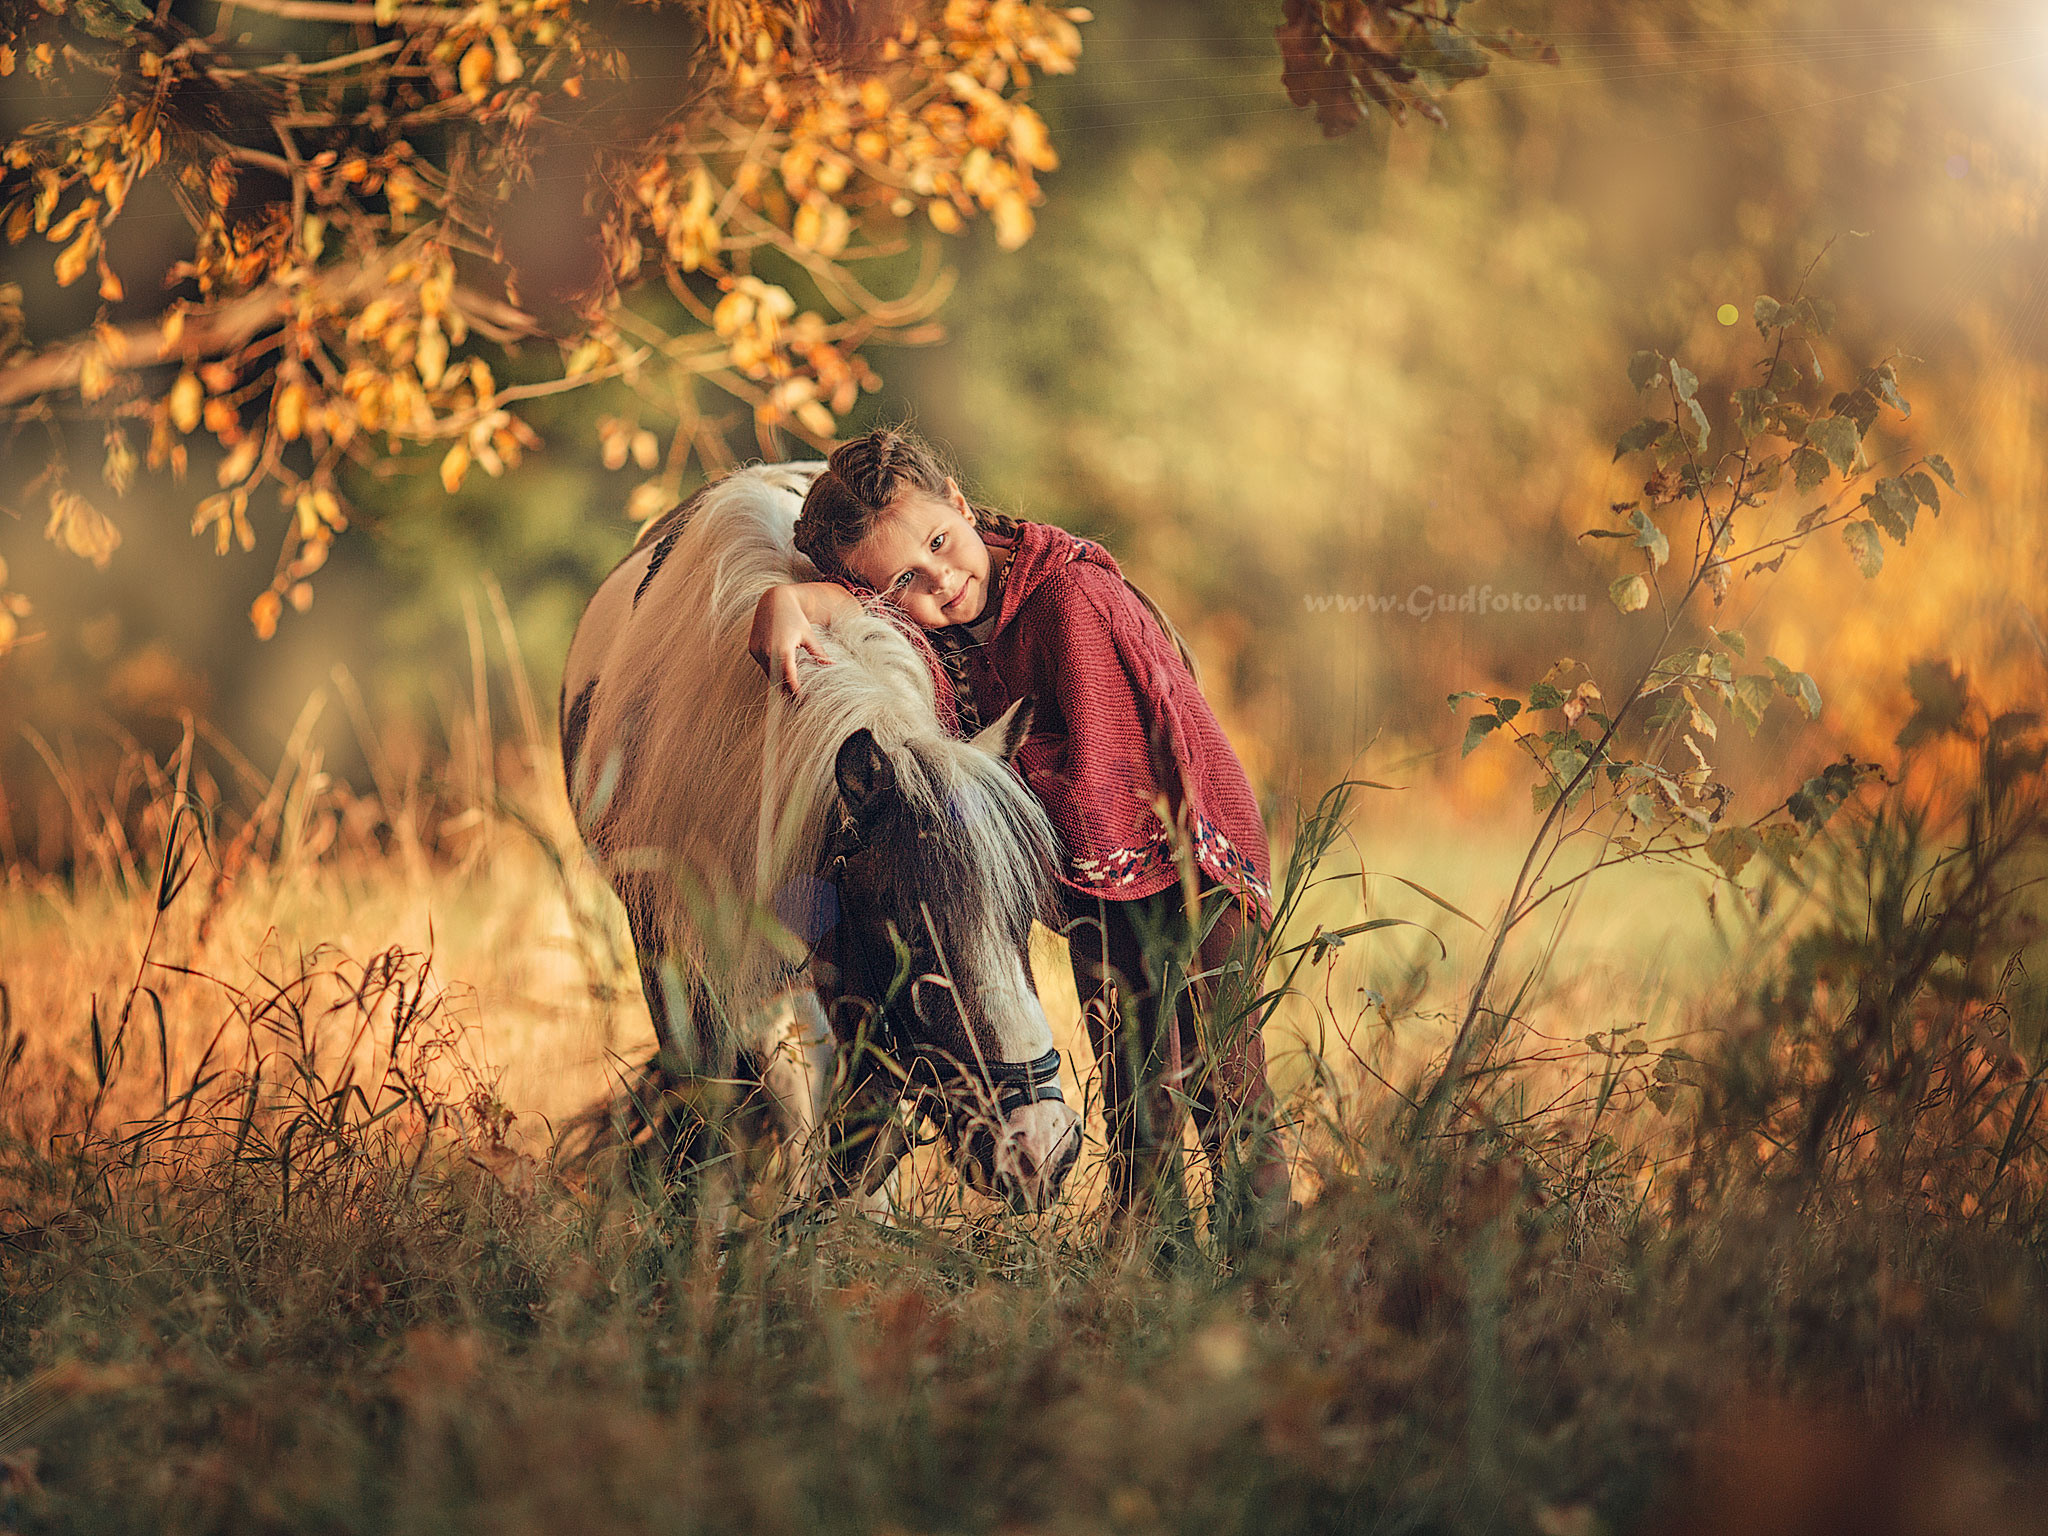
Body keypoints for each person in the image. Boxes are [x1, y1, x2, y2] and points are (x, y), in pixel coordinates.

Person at [748, 427, 1290, 1224]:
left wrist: (989, 787)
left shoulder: (1067, 599)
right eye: (908, 579)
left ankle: (1270, 1242)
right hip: (1100, 875)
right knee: (1135, 1074)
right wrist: (784, 599)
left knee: (1221, 1069)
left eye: (941, 541)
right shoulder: (938, 613)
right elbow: (857, 602)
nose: (940, 579)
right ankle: (1152, 1244)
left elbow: (1103, 764)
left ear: (963, 507)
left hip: (1181, 850)